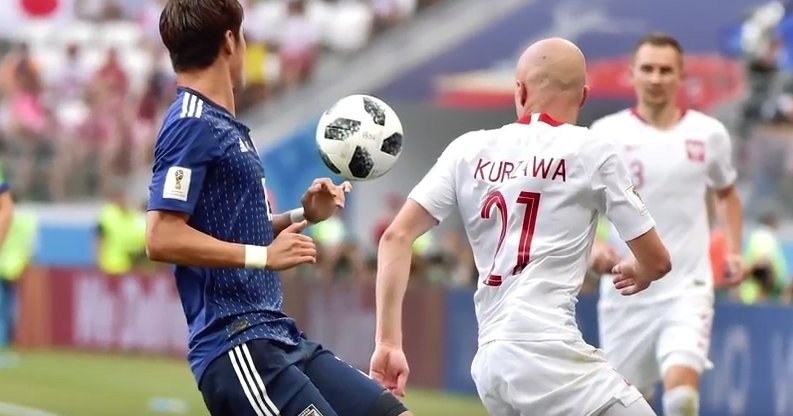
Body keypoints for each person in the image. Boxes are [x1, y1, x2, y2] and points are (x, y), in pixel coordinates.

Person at [369, 37, 671, 416]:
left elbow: (396, 236)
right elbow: (657, 260)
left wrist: (388, 342)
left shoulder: (467, 149)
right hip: (549, 351)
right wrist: (639, 269)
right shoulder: (589, 150)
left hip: (492, 362)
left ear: (521, 89)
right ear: (583, 96)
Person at [145, 1, 411, 415]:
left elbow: (226, 228)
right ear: (231, 41)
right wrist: (263, 258)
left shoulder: (222, 124)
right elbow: (161, 235)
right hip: (237, 343)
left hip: (278, 335)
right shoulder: (191, 123)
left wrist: (302, 216)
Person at [590, 33, 746, 416]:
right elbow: (583, 206)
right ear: (632, 75)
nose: (656, 78)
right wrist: (593, 245)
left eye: (665, 70)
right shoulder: (605, 135)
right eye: (647, 69)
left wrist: (735, 250)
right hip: (625, 293)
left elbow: (727, 193)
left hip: (687, 287)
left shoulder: (709, 134)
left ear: (681, 76)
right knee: (628, 406)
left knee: (681, 397)